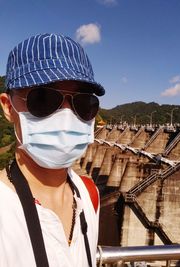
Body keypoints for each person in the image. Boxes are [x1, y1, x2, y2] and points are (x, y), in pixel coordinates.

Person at [0, 33, 105, 267]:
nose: (67, 115)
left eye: (83, 103)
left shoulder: (89, 195)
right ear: (8, 107)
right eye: (43, 99)